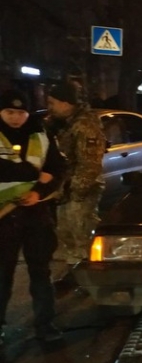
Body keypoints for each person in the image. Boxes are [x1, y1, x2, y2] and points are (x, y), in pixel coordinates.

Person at [0, 88, 67, 342]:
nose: (16, 117)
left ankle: (45, 325)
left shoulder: (41, 134)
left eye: (21, 112)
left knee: (41, 273)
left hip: (35, 214)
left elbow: (57, 168)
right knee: (1, 276)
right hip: (4, 217)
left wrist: (39, 191)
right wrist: (30, 173)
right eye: (10, 112)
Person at [45, 81, 106, 281]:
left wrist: (76, 191)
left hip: (80, 189)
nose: (50, 107)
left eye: (53, 103)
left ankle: (90, 277)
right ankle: (75, 272)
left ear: (66, 103)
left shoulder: (85, 125)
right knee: (67, 233)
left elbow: (89, 164)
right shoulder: (62, 123)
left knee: (81, 232)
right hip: (66, 189)